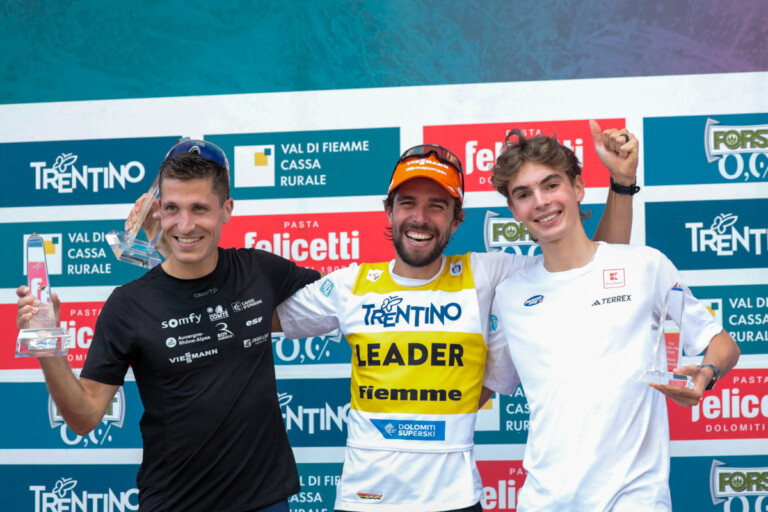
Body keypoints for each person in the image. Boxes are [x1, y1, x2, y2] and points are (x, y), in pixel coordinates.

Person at [275, 120, 640, 512]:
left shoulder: (488, 274)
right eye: (408, 203)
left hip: (454, 500)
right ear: (389, 211)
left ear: (456, 219)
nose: (420, 218)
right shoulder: (352, 283)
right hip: (365, 501)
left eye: (437, 205)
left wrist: (620, 184)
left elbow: (590, 269)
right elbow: (258, 317)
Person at [16, 139, 321, 512]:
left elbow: (332, 303)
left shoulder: (259, 272)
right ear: (157, 210)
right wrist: (47, 347)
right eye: (172, 209)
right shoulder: (128, 305)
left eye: (199, 209)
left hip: (266, 502)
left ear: (227, 210)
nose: (185, 224)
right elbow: (84, 417)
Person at [487, 129, 740, 511]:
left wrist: (706, 374)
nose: (540, 202)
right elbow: (491, 384)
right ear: (514, 211)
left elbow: (722, 344)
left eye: (550, 184)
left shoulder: (644, 266)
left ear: (577, 187)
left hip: (635, 500)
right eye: (523, 194)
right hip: (543, 502)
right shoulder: (509, 295)